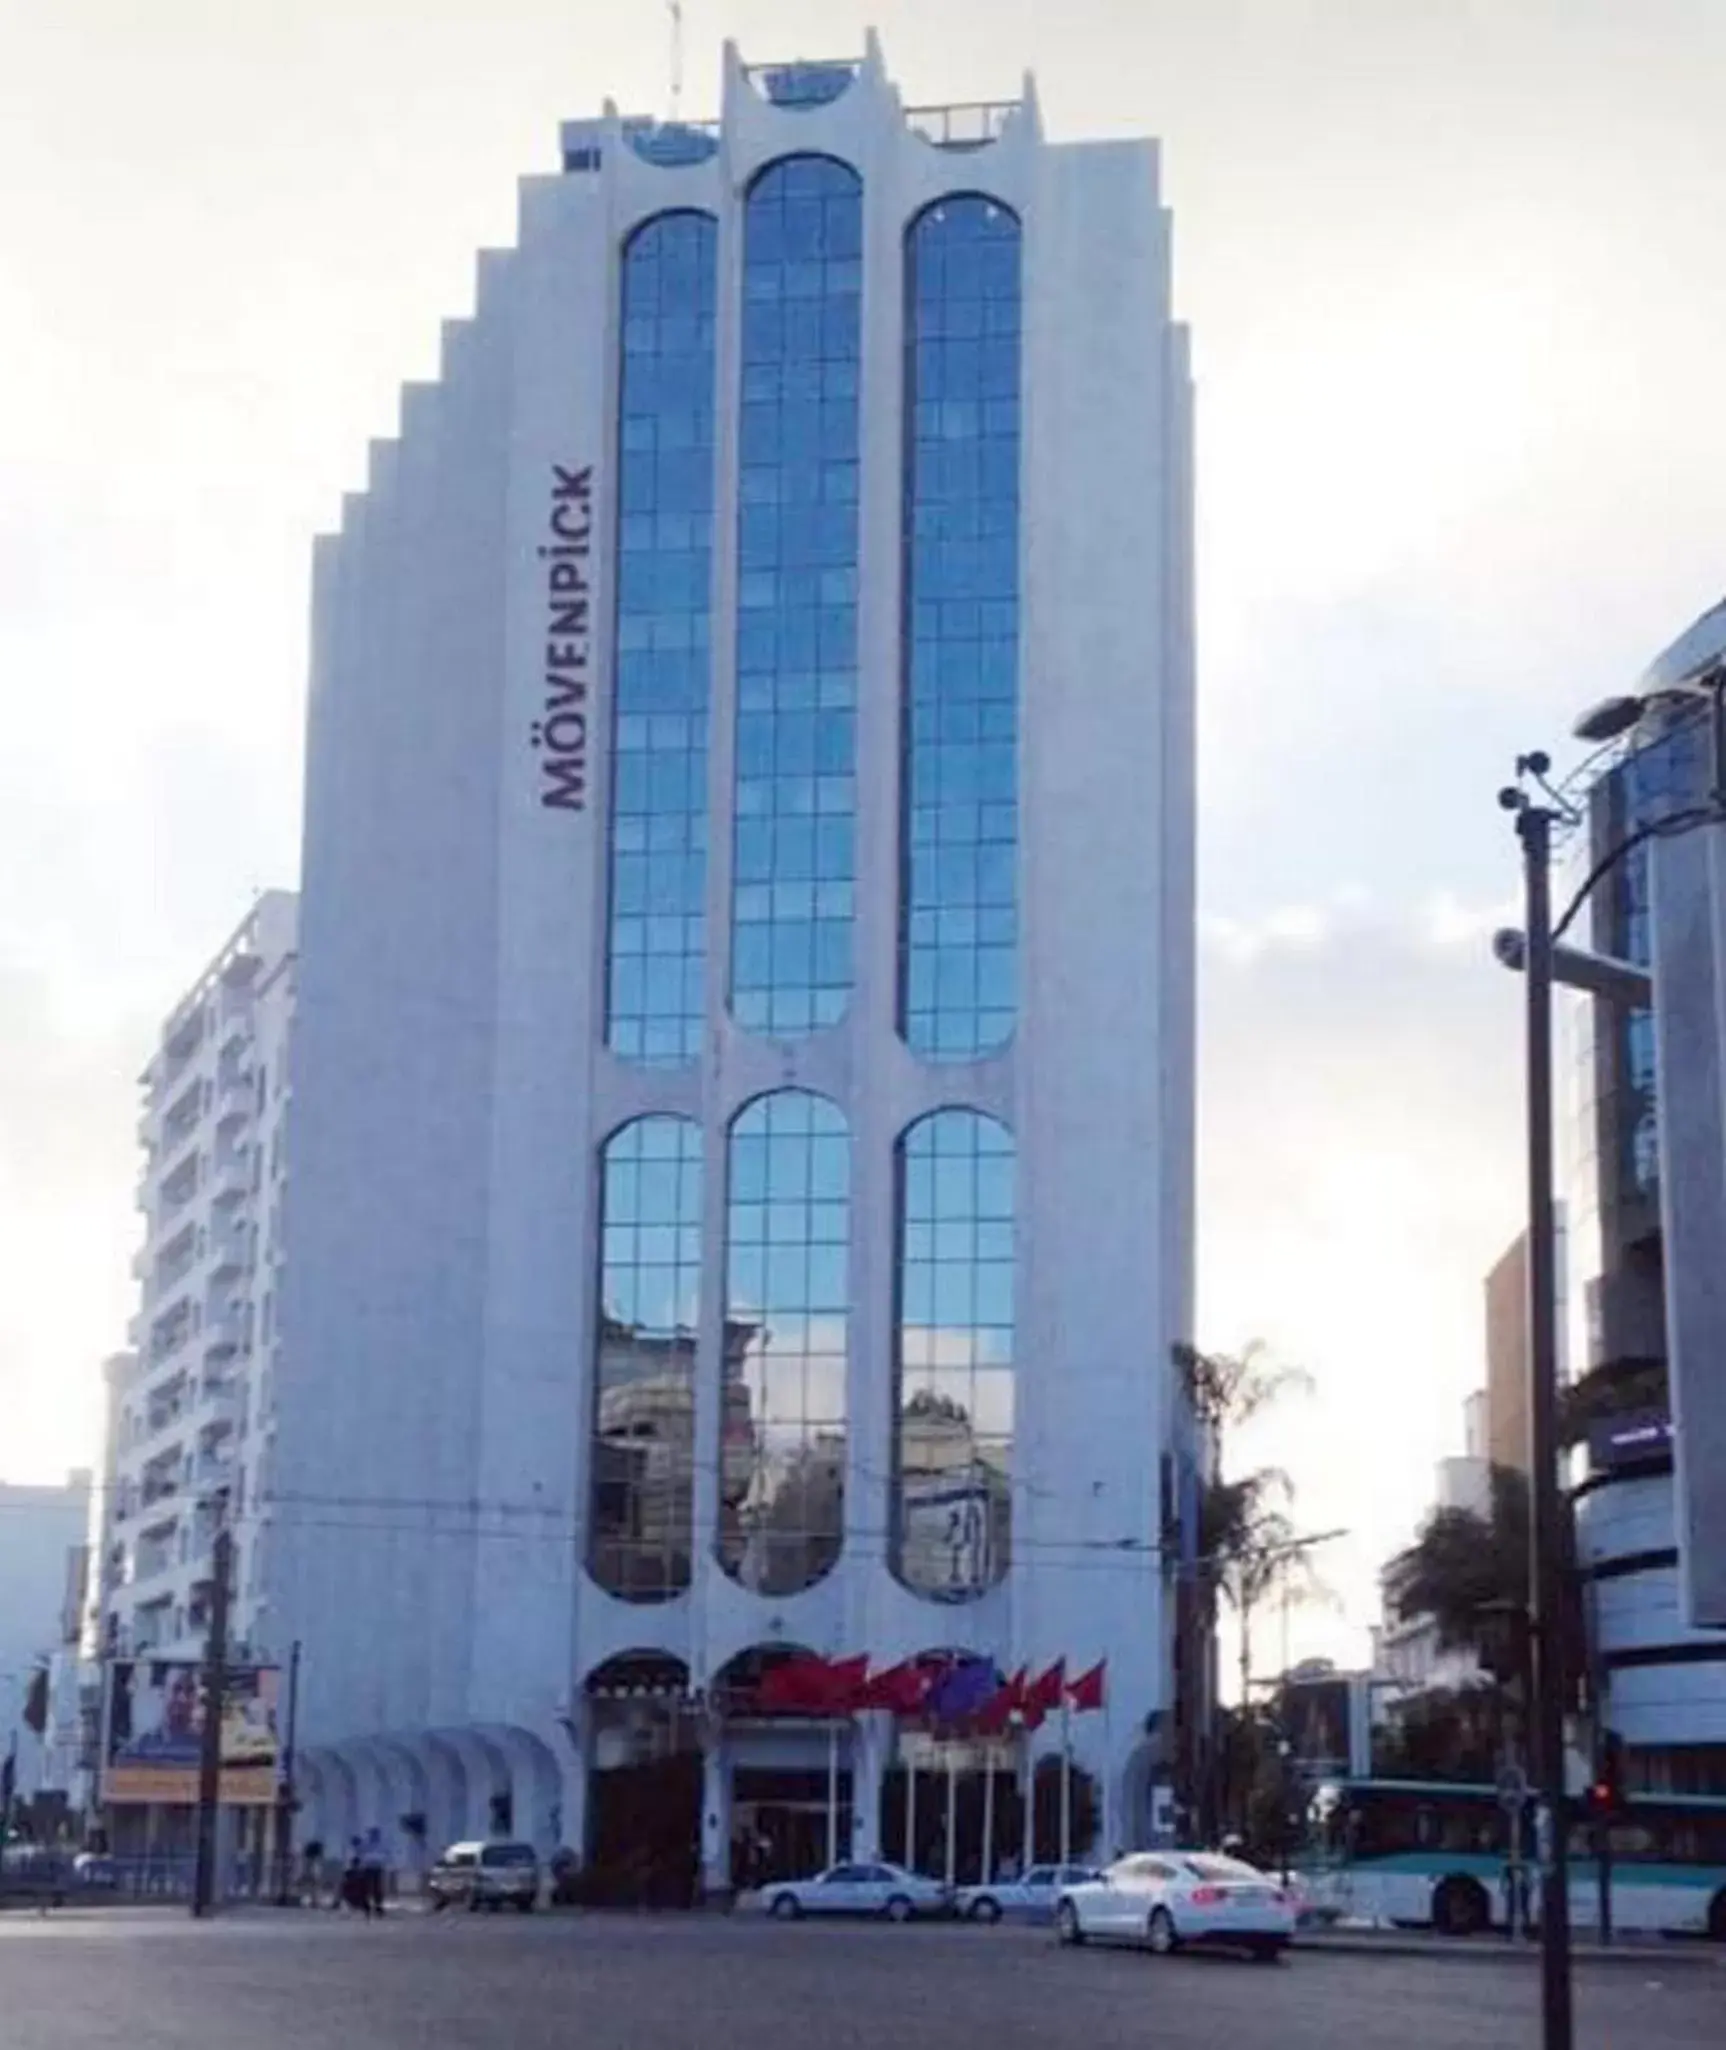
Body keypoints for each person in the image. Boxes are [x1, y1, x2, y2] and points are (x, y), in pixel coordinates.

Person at [361, 1827, 387, 1918]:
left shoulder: (382, 1844)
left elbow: (385, 1854)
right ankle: (367, 1906)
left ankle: (378, 1906)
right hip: (368, 1868)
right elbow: (362, 1853)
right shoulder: (366, 1843)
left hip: (377, 1868)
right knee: (367, 1888)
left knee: (378, 1888)